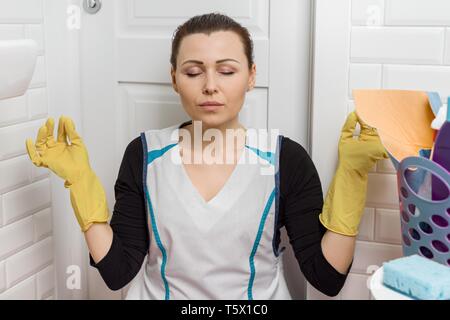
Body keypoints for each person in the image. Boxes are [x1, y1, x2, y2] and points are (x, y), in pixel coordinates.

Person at [25, 13, 388, 300]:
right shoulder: (144, 154)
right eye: (193, 71)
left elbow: (327, 278)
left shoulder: (283, 159)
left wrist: (352, 176)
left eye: (227, 71)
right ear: (174, 79)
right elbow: (117, 271)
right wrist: (81, 185)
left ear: (250, 76)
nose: (210, 85)